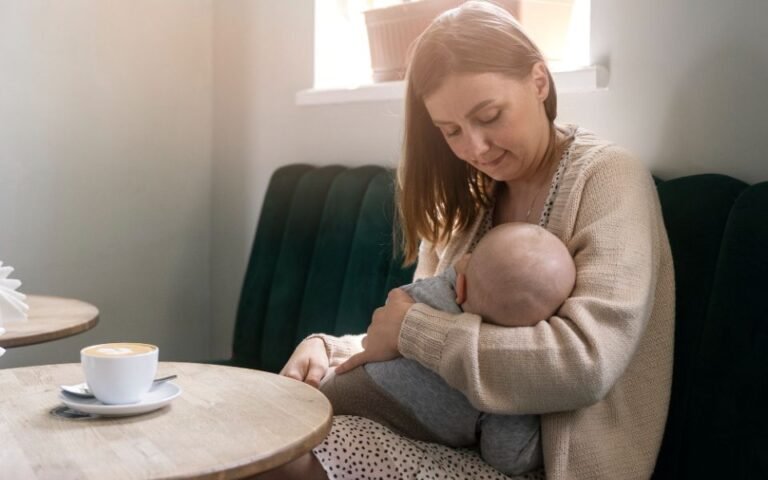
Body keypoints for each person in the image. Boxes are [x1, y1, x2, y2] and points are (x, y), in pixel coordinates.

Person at [260, 1, 674, 479]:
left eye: (490, 115)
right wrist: (328, 350)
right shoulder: (476, 198)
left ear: (539, 82)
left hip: (540, 468)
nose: (475, 148)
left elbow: (583, 363)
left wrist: (412, 330)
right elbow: (428, 331)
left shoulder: (606, 178)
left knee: (284, 461)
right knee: (270, 442)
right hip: (451, 439)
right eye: (451, 131)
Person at [320, 222, 576, 476]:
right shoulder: (503, 385)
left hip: (342, 389)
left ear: (461, 285)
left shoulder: (434, 295)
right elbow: (509, 459)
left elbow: (395, 303)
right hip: (377, 423)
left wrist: (460, 272)